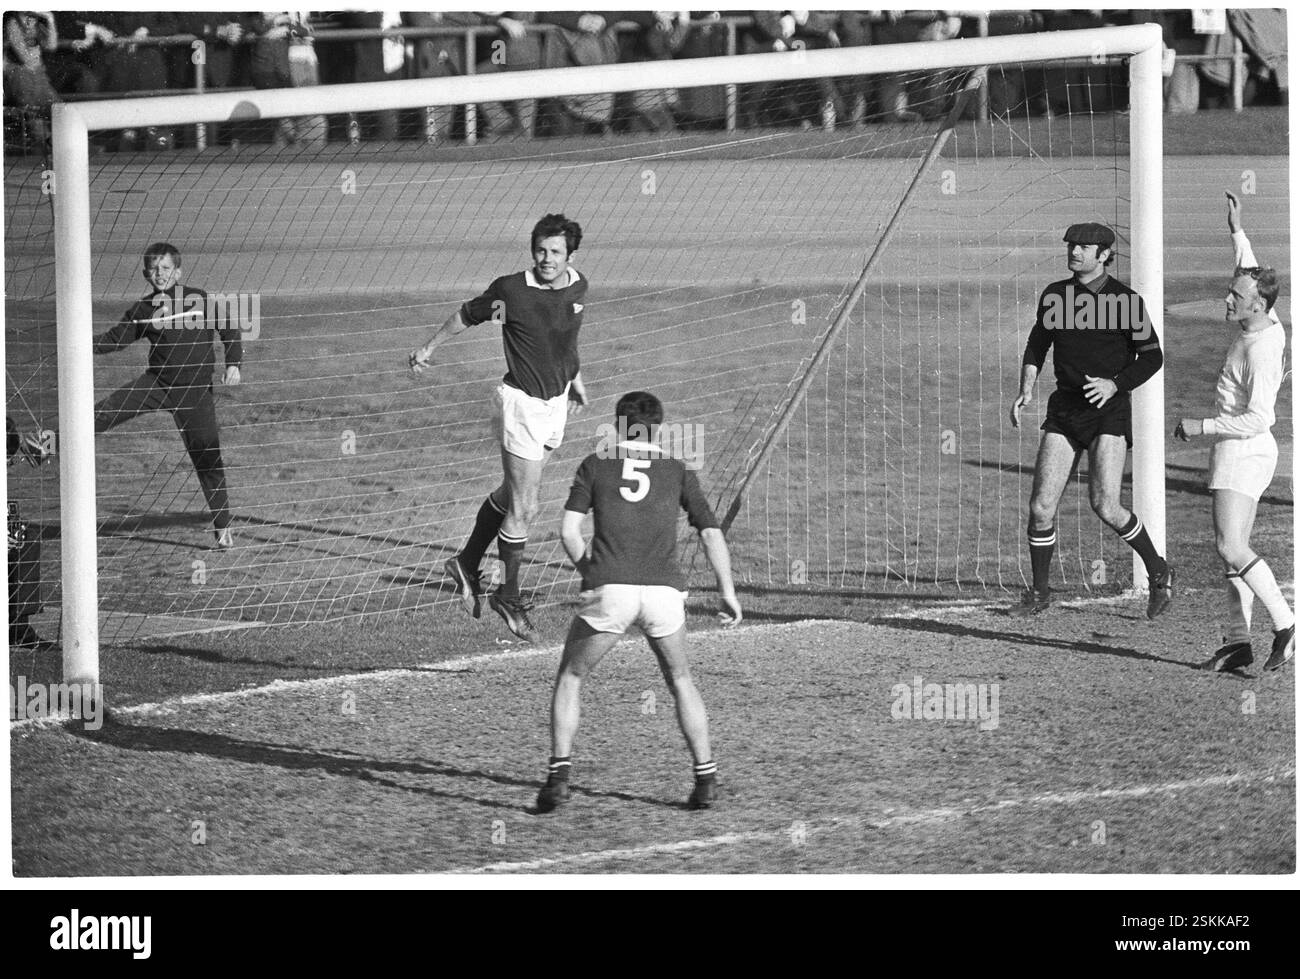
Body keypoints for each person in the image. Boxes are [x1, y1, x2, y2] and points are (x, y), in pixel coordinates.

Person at [535, 391, 742, 813]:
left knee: (572, 676)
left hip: (610, 590)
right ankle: (706, 780)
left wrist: (591, 572)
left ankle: (558, 777)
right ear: (659, 429)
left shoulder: (595, 464)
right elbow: (709, 532)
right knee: (680, 679)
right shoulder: (677, 470)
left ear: (616, 425)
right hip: (665, 593)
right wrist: (727, 591)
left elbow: (569, 532)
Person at [408, 214, 589, 642]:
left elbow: (564, 339)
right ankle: (508, 595)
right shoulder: (512, 291)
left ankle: (467, 562)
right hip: (521, 404)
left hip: (557, 402)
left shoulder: (579, 286)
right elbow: (466, 315)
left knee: (511, 495)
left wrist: (575, 380)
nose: (546, 259)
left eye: (556, 252)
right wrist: (428, 347)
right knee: (526, 507)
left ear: (570, 255)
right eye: (541, 251)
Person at [23, 243, 244, 548]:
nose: (160, 274)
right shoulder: (143, 309)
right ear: (145, 273)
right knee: (105, 412)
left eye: (166, 268)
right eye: (153, 269)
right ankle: (46, 445)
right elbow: (115, 340)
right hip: (157, 386)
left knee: (207, 459)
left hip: (195, 395)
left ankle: (222, 525)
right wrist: (76, 343)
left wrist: (234, 364)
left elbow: (230, 328)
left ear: (178, 271)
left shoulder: (199, 299)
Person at [1009, 222, 1173, 617]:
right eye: (1071, 246)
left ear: (1104, 255)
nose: (1074, 252)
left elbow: (1153, 356)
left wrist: (1115, 385)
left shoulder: (1126, 302)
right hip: (1064, 410)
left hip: (1108, 414)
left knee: (1105, 505)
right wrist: (1026, 388)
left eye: (1084, 247)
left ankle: (1159, 570)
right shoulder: (1055, 296)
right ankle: (1041, 594)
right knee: (1040, 507)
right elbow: (1037, 344)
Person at [1175, 193, 1294, 673]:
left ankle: (1286, 627)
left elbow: (1260, 419)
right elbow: (1248, 270)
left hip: (1245, 449)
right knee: (1230, 546)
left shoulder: (1261, 352)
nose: (1227, 299)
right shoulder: (1269, 317)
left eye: (1235, 297)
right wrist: (1236, 230)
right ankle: (1237, 642)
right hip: (1234, 450)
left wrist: (1200, 426)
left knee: (1230, 546)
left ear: (1258, 303)